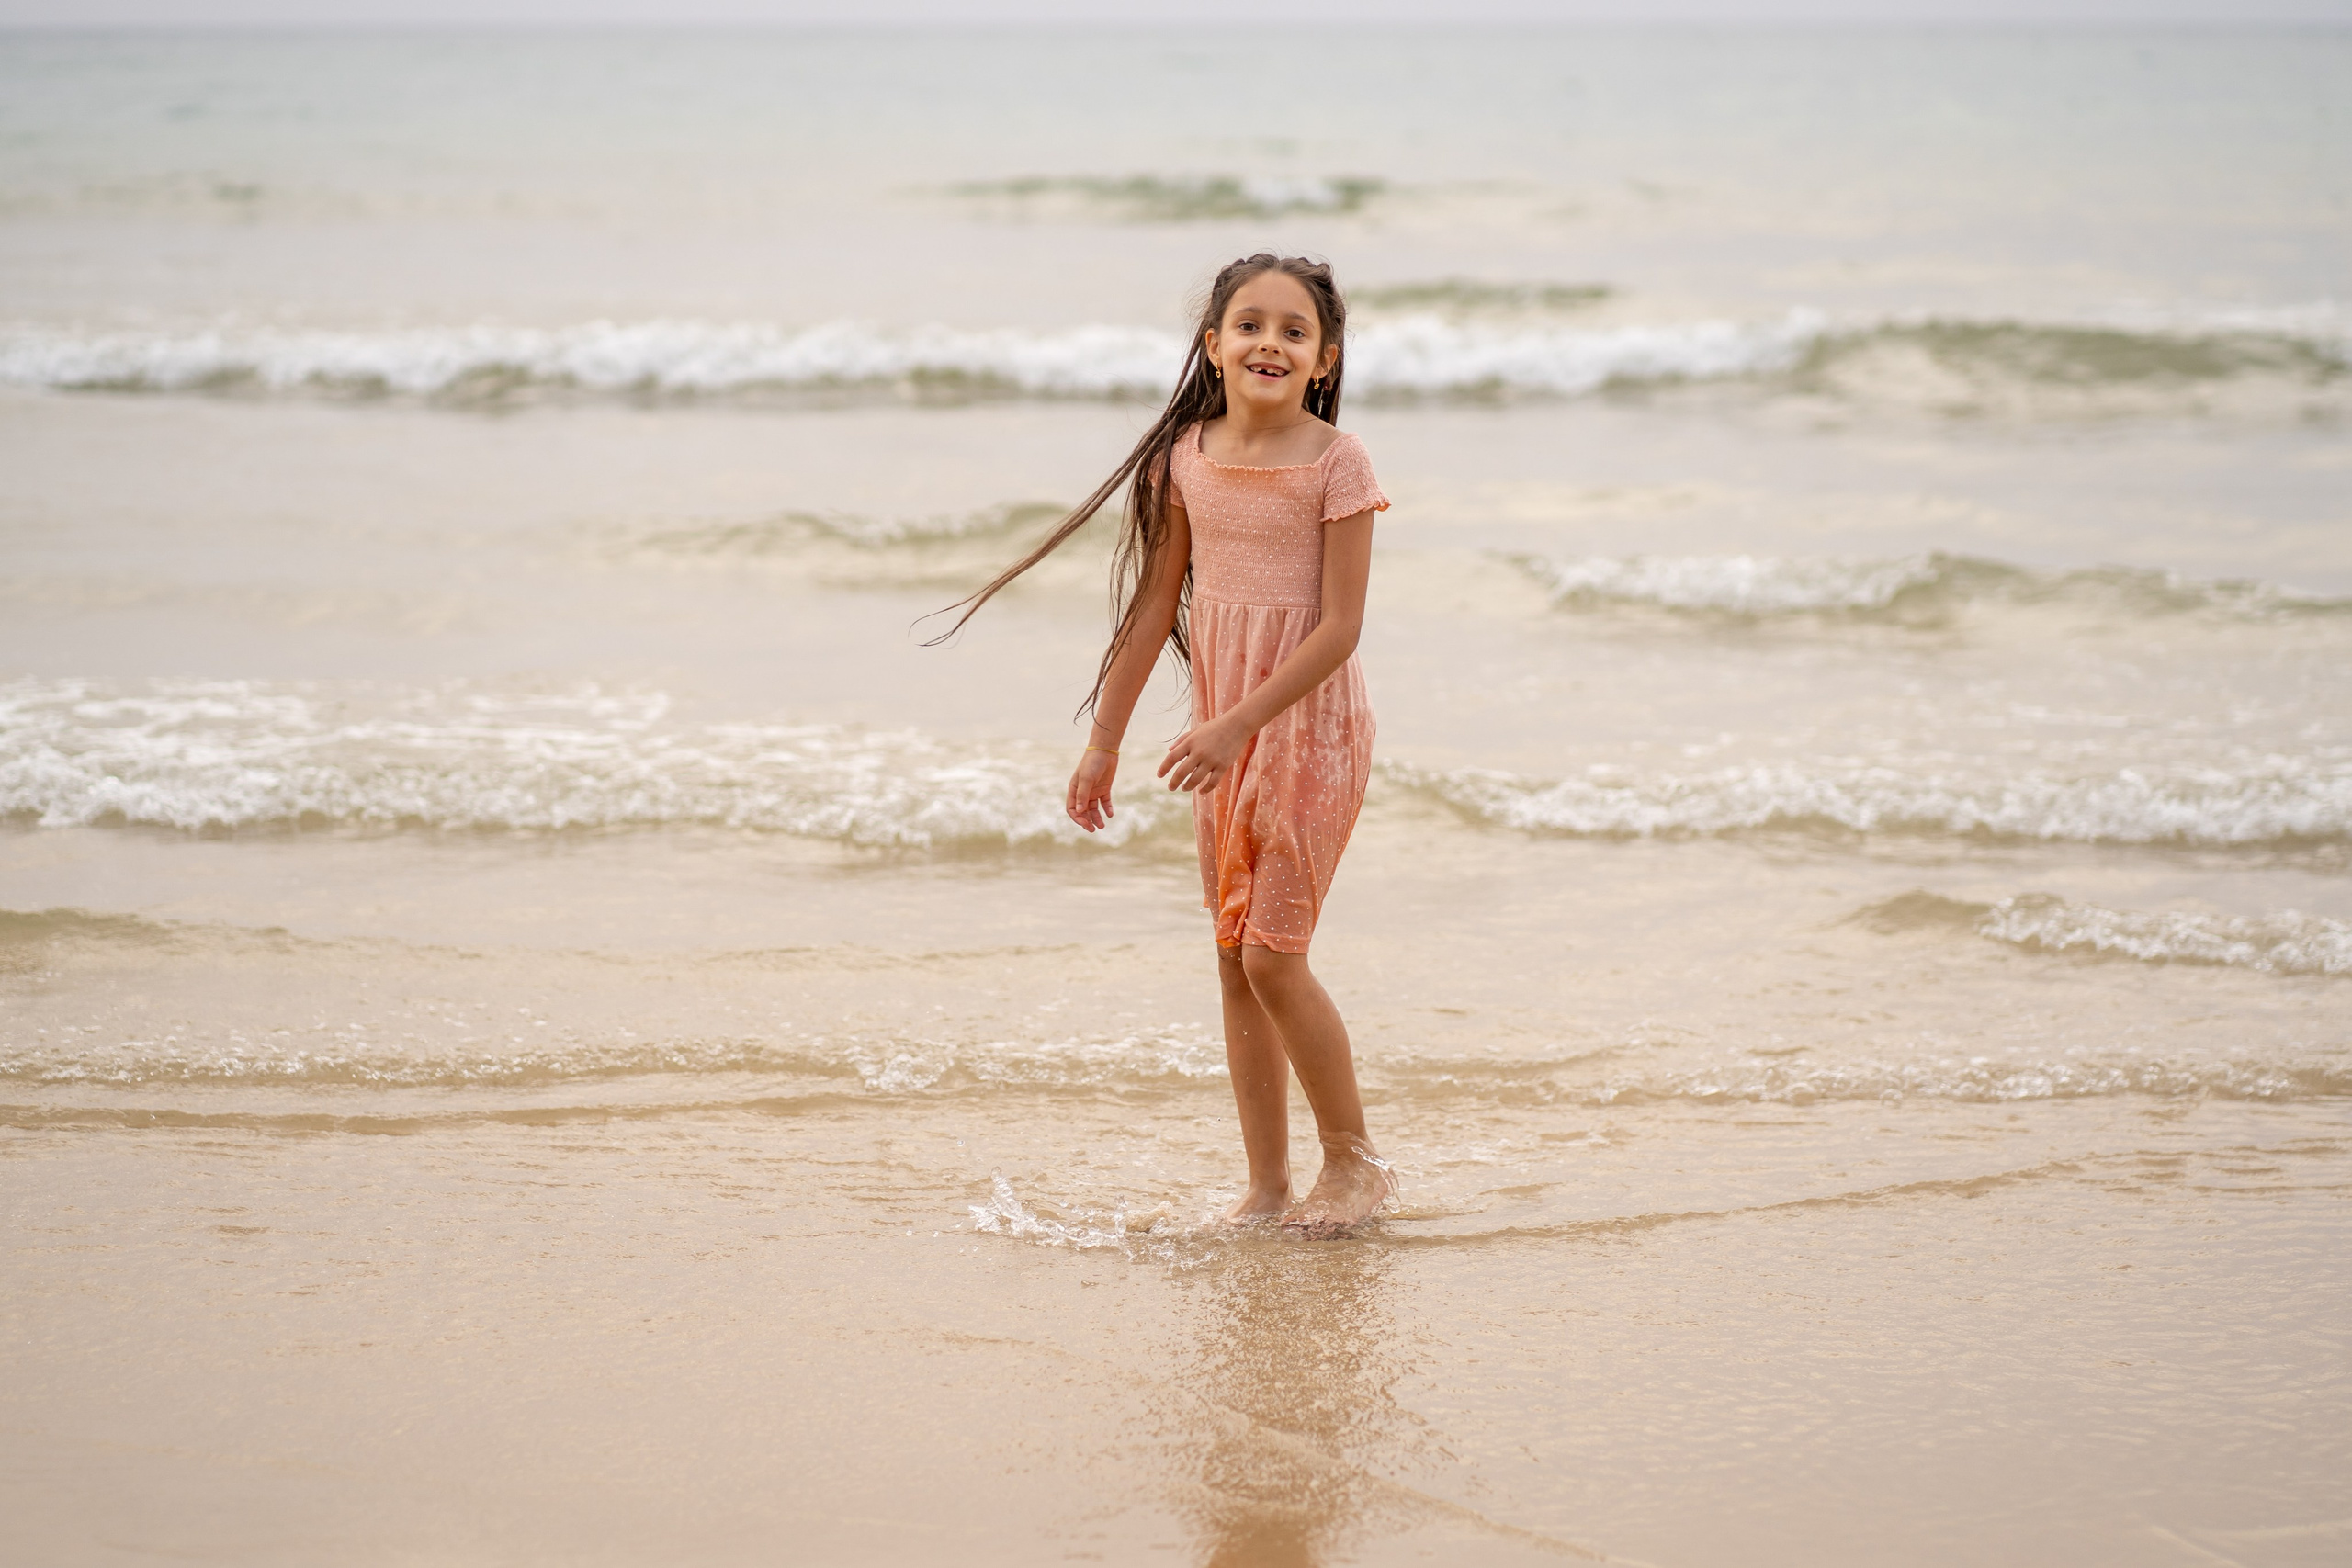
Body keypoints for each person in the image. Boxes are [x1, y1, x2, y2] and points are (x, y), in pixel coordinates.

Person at [941, 254, 1395, 1232]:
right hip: (1223, 738)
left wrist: (1236, 723)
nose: (1268, 342)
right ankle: (1269, 1189)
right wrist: (1101, 743)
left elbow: (1340, 629)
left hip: (1307, 730)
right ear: (1213, 344)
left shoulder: (1337, 461)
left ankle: (1355, 1168)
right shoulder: (1183, 456)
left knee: (1275, 955)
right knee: (1233, 956)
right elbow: (1154, 607)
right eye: (1249, 324)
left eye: (1292, 331)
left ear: (1323, 359)